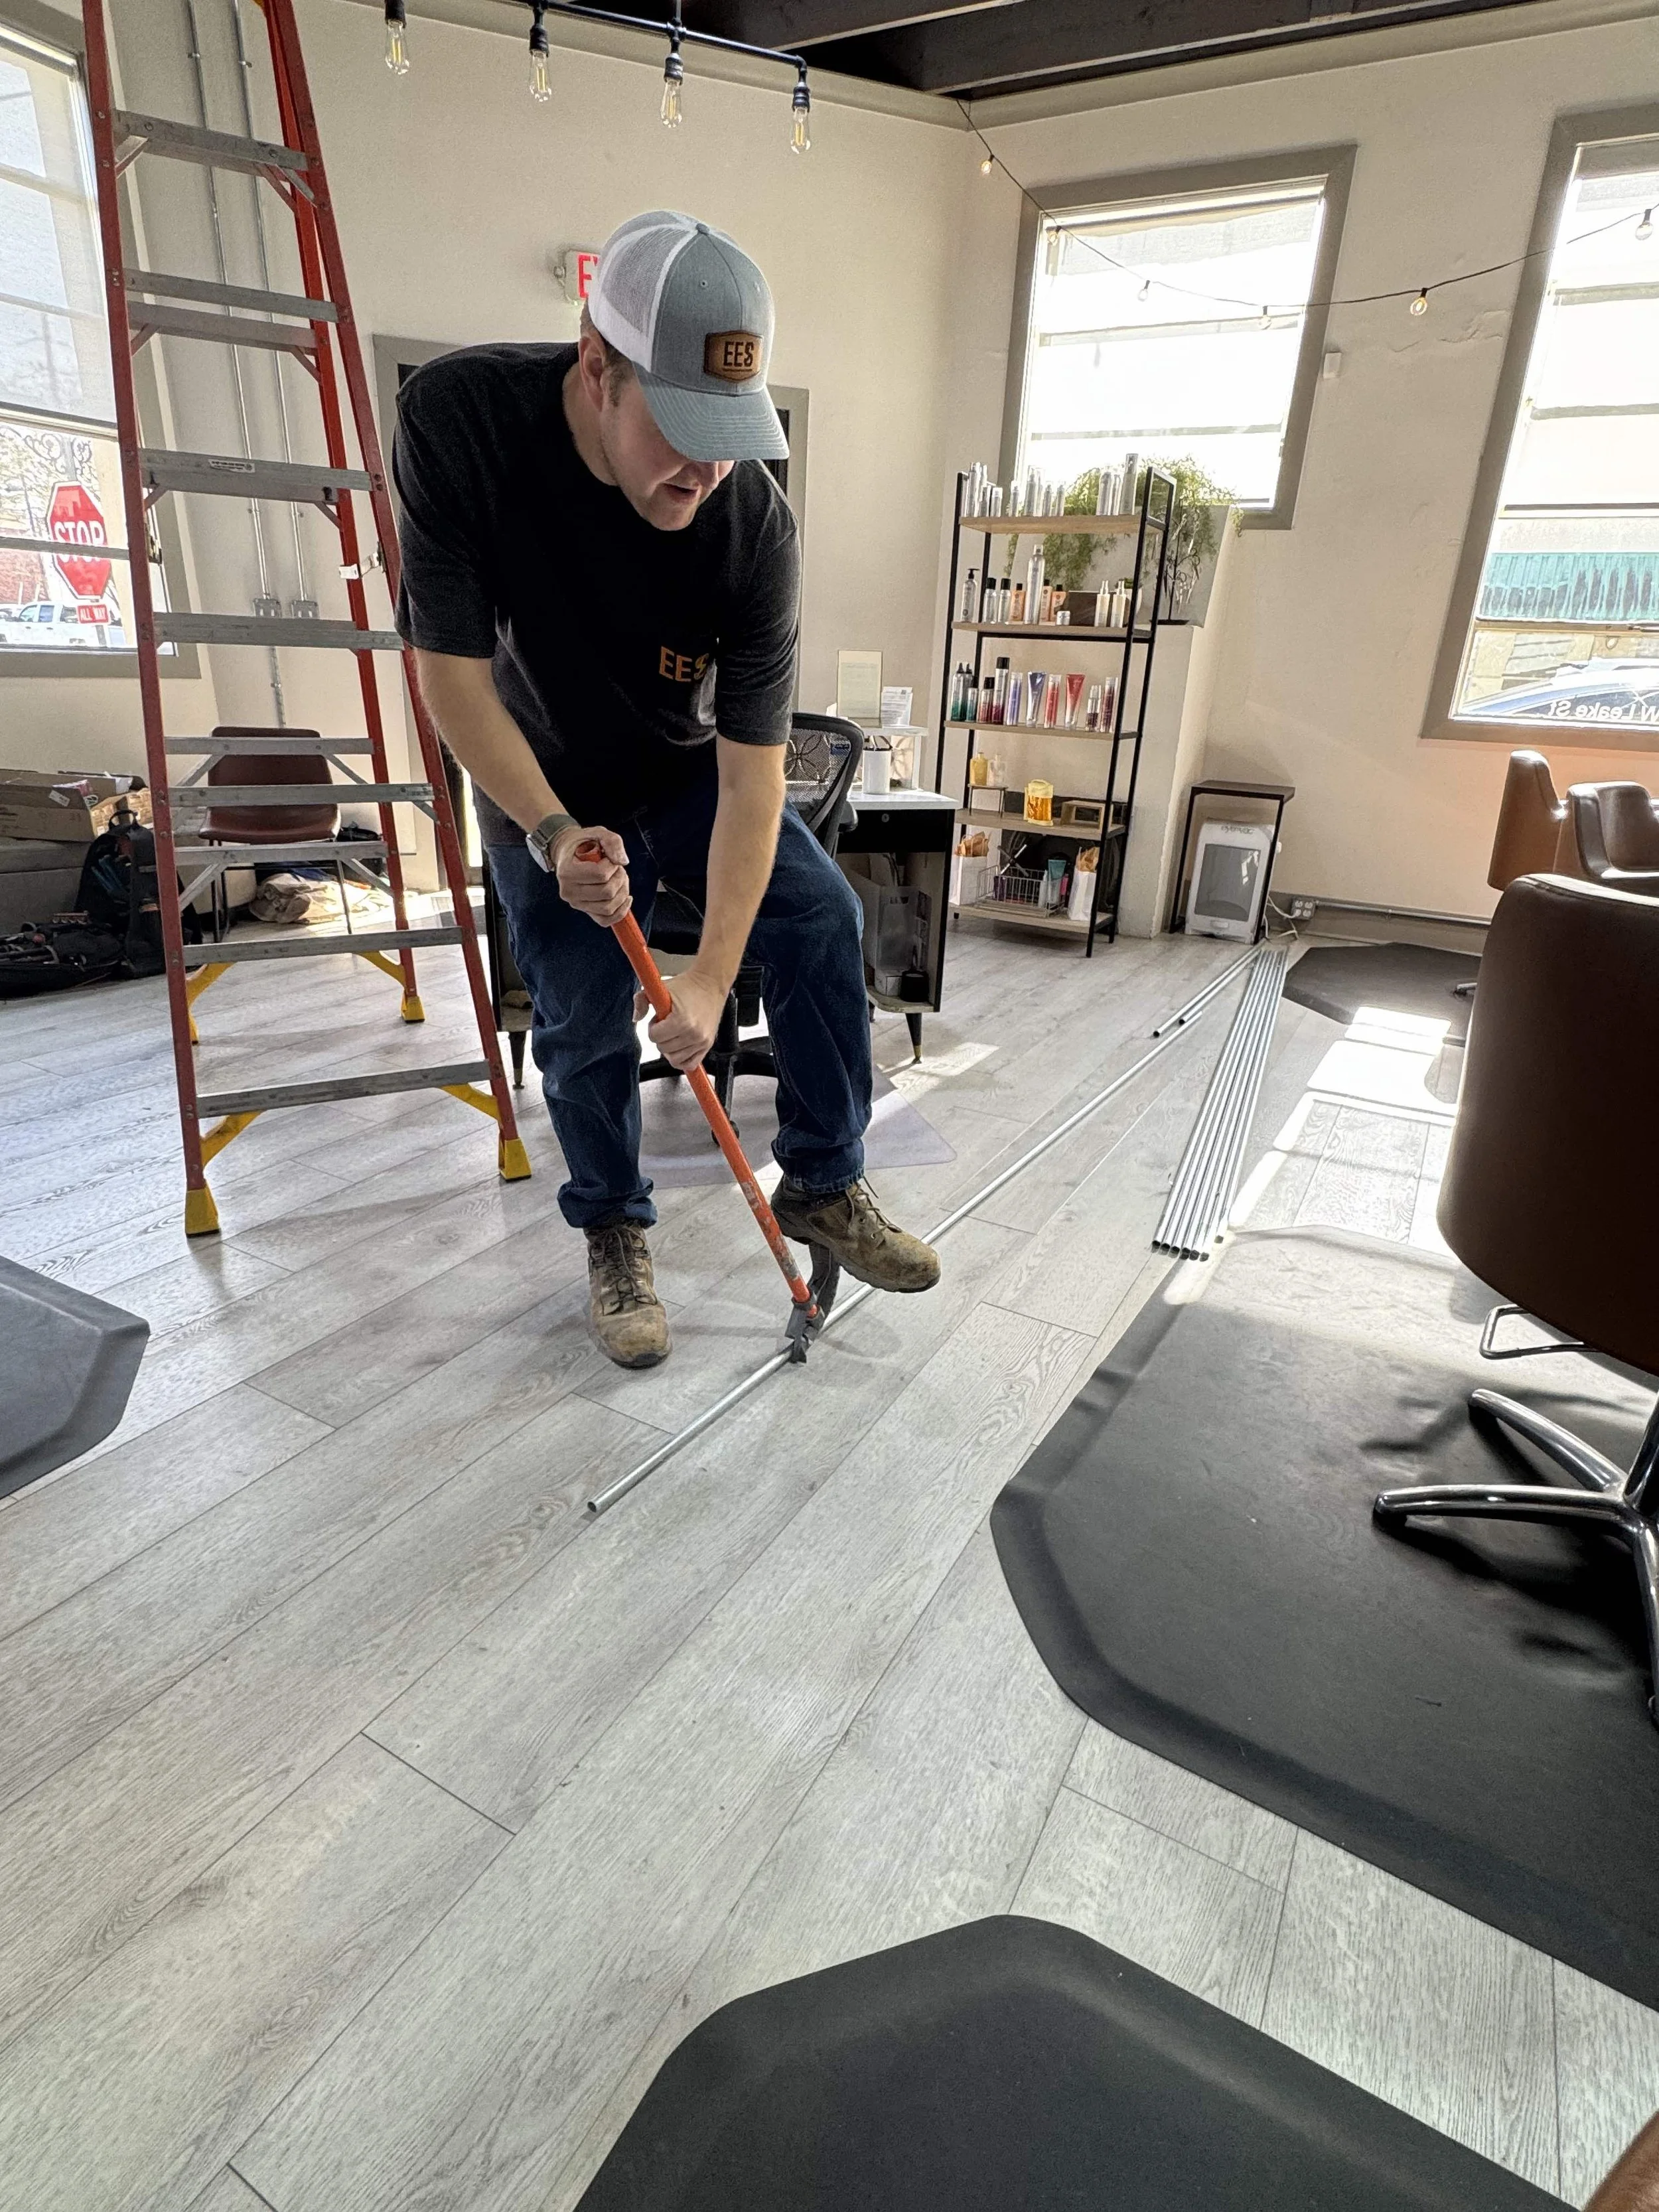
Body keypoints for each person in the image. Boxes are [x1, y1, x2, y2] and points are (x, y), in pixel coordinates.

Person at [393, 209, 940, 1368]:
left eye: (732, 432)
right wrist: (550, 833)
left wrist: (708, 975)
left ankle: (827, 1183)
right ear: (597, 366)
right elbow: (448, 678)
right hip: (534, 768)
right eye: (683, 426)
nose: (709, 465)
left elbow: (753, 783)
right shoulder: (462, 423)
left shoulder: (753, 525)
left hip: (681, 767)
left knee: (820, 915)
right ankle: (613, 1228)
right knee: (581, 1010)